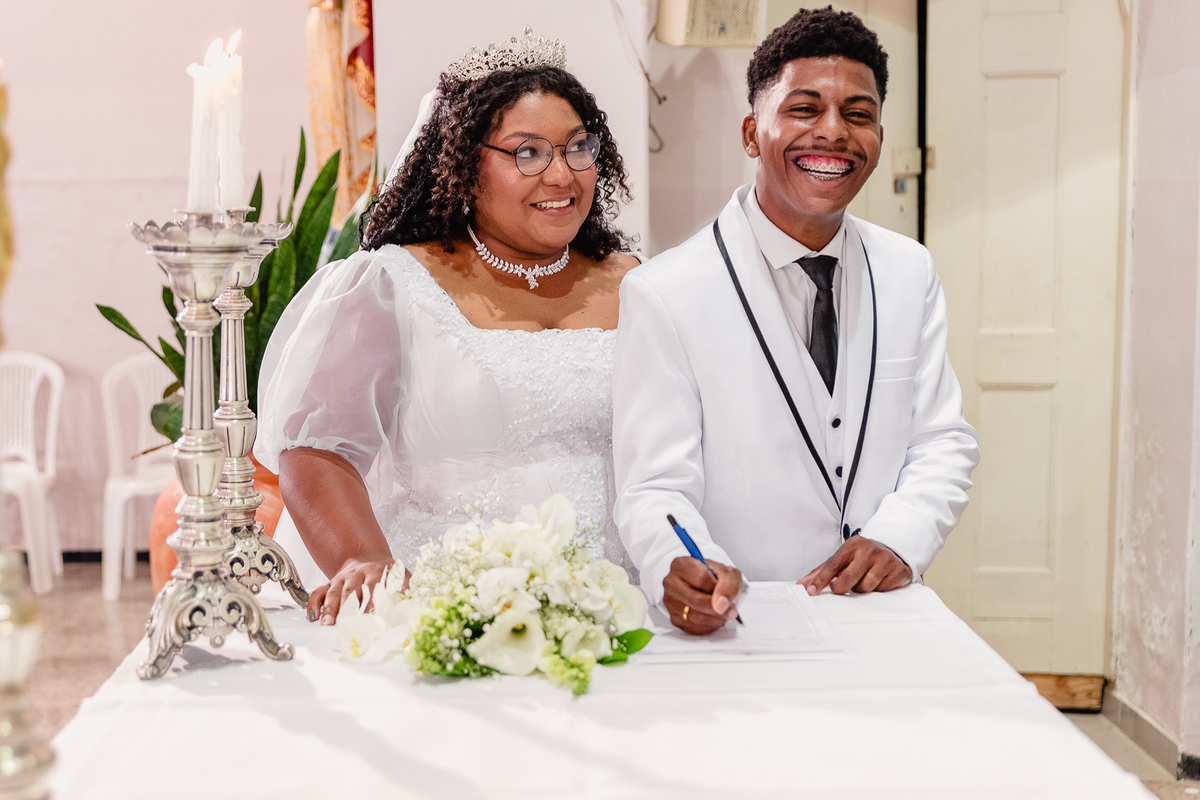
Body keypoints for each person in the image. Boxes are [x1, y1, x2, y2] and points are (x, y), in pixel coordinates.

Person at [612, 7, 980, 635]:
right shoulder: (664, 292)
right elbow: (655, 487)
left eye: (858, 114)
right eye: (804, 109)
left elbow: (941, 439)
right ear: (752, 133)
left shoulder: (908, 270)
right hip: (746, 622)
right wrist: (684, 567)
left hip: (884, 614)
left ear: (879, 137)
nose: (833, 132)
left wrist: (900, 538)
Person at [255, 29, 639, 625]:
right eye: (528, 153)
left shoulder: (638, 283)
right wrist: (363, 562)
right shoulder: (392, 285)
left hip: (616, 594)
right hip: (444, 598)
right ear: (465, 166)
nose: (562, 176)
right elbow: (317, 452)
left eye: (577, 148)